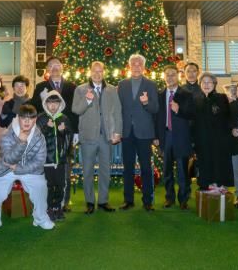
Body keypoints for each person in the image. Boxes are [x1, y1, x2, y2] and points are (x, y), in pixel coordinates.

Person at [0, 104, 54, 233]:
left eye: (31, 118)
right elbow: (8, 159)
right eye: (24, 118)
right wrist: (21, 142)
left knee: (41, 187)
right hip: (5, 169)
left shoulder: (39, 137)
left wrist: (19, 168)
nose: (27, 121)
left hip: (29, 170)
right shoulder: (7, 133)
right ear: (18, 118)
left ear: (35, 119)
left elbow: (39, 162)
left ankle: (41, 218)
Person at [72, 61, 122, 214]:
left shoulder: (112, 90)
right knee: (87, 171)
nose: (97, 74)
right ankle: (89, 202)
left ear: (104, 72)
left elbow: (117, 112)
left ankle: (103, 201)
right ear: (90, 72)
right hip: (88, 137)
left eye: (100, 71)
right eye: (95, 71)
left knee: (105, 170)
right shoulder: (81, 89)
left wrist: (117, 132)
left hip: (106, 137)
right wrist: (87, 100)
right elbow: (76, 110)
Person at [32, 56, 77, 212]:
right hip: (47, 137)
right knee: (47, 174)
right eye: (51, 65)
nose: (55, 67)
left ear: (62, 67)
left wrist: (74, 132)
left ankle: (64, 203)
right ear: (47, 70)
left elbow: (75, 111)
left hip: (65, 135)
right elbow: (33, 108)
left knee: (65, 170)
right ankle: (47, 203)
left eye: (57, 64)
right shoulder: (40, 87)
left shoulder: (72, 87)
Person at [118, 54, 159, 211]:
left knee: (146, 168)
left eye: (139, 64)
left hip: (144, 133)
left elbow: (155, 108)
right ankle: (128, 200)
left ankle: (147, 201)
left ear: (143, 67)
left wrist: (146, 102)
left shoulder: (151, 85)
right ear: (129, 66)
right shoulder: (122, 84)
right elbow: (118, 109)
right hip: (126, 132)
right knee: (127, 168)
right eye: (133, 64)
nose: (136, 66)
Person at [154, 65, 195, 210]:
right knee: (167, 171)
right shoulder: (159, 95)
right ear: (164, 77)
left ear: (178, 76)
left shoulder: (186, 94)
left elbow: (192, 114)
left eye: (173, 74)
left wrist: (179, 110)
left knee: (183, 171)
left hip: (182, 137)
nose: (170, 77)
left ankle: (183, 199)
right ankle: (169, 198)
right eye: (167, 75)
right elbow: (156, 117)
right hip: (165, 136)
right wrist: (156, 136)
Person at [37, 91, 73, 221]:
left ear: (60, 103)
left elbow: (69, 140)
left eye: (56, 102)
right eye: (50, 102)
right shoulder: (41, 118)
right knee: (48, 186)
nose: (53, 105)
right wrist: (47, 128)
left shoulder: (64, 119)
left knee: (60, 185)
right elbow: (36, 138)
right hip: (46, 161)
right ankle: (48, 208)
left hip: (60, 161)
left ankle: (58, 207)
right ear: (45, 103)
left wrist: (64, 131)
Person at [193, 72, 233, 189]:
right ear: (200, 84)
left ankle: (219, 188)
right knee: (204, 164)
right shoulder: (196, 100)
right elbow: (192, 121)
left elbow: (228, 117)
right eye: (203, 82)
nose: (206, 85)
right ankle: (206, 187)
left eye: (209, 82)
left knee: (218, 164)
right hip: (202, 140)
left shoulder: (222, 98)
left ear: (214, 84)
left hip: (219, 140)